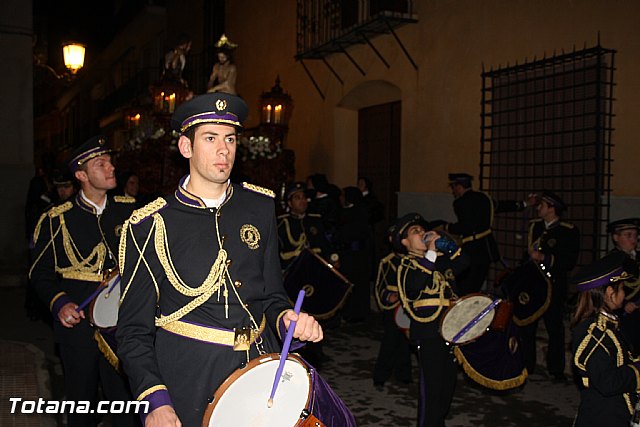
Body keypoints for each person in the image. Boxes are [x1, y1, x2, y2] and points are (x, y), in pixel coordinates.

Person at [116, 92, 324, 426]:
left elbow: (272, 293)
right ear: (186, 148)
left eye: (230, 139)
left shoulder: (259, 206)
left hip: (260, 369)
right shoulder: (151, 224)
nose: (224, 149)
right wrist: (154, 399)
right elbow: (132, 331)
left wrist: (288, 320)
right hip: (189, 379)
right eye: (210, 139)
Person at [29, 135, 139, 427]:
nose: (111, 167)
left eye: (110, 161)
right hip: (77, 331)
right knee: (81, 406)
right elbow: (39, 275)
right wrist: (60, 303)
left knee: (127, 405)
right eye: (100, 163)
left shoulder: (130, 212)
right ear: (81, 175)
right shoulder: (58, 219)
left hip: (122, 328)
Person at [395, 213, 466, 427]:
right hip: (427, 333)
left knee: (446, 387)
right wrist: (432, 253)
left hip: (449, 330)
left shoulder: (439, 262)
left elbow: (464, 263)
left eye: (423, 230)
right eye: (415, 232)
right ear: (405, 242)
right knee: (432, 388)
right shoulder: (406, 266)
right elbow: (415, 285)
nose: (422, 233)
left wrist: (449, 246)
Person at [571, 251, 640, 426]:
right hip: (603, 416)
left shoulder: (611, 323)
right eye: (622, 288)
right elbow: (607, 382)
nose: (625, 294)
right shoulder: (594, 334)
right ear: (610, 292)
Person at [521, 190, 580, 381]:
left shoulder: (567, 230)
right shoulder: (534, 227)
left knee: (554, 326)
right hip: (533, 284)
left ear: (551, 208)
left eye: (541, 205)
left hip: (553, 284)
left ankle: (556, 369)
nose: (538, 208)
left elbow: (569, 261)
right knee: (528, 324)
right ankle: (526, 365)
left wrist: (546, 258)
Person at [444, 172, 533, 296]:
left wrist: (447, 227)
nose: (453, 191)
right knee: (476, 284)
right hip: (487, 248)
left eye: (453, 187)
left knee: (465, 288)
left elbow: (466, 227)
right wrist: (525, 204)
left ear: (459, 186)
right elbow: (501, 206)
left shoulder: (460, 203)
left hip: (472, 250)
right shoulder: (484, 197)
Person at [372, 221, 413, 390]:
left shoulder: (414, 260)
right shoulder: (387, 262)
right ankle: (380, 376)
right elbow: (379, 287)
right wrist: (389, 296)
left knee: (406, 342)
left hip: (410, 306)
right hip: (393, 308)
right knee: (390, 341)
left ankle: (404, 374)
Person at [277, 181, 338, 270]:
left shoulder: (315, 220)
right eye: (298, 198)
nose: (302, 201)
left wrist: (333, 257)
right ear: (289, 203)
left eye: (304, 198)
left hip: (315, 268)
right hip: (292, 270)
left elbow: (324, 244)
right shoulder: (281, 223)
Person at [333, 186, 373, 322]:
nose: (341, 198)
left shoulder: (359, 213)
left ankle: (356, 313)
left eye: (343, 195)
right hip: (346, 255)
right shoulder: (342, 212)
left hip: (356, 257)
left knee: (357, 286)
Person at [607, 218, 640, 353]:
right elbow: (609, 288)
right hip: (624, 313)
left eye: (635, 235)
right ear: (616, 237)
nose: (634, 239)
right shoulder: (612, 260)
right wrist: (625, 303)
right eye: (628, 235)